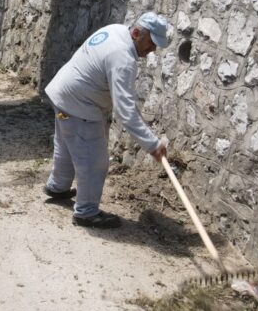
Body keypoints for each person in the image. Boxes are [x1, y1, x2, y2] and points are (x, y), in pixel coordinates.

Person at [42, 12, 170, 228]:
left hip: (63, 93)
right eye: (151, 43)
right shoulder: (123, 59)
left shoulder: (116, 30)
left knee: (65, 145)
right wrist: (152, 145)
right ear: (137, 33)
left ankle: (57, 187)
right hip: (79, 105)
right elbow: (125, 111)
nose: (152, 50)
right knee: (95, 161)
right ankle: (86, 212)